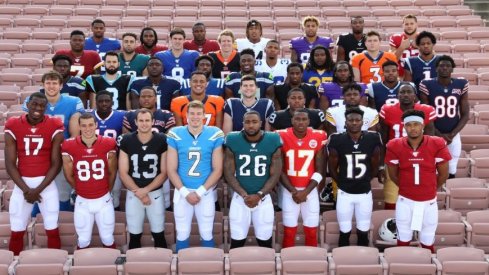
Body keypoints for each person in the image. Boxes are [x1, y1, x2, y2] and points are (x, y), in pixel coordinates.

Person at [5, 92, 63, 255]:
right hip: (21, 185)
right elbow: (10, 163)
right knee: (16, 229)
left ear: (46, 108)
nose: (38, 108)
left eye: (42, 106)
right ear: (28, 104)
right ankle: (14, 265)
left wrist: (36, 190)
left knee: (52, 227)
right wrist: (26, 190)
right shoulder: (13, 124)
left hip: (46, 185)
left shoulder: (54, 124)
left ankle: (55, 265)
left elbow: (56, 163)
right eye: (35, 104)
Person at [385, 110, 451, 252]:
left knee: (428, 240)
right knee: (403, 239)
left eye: (416, 124)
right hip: (405, 200)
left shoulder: (437, 143)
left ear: (422, 126)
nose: (413, 128)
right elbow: (393, 175)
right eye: (409, 125)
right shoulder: (394, 145)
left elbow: (443, 174)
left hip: (429, 201)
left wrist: (430, 187)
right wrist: (408, 187)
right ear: (404, 127)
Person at [167, 100, 224, 251]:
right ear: (186, 115)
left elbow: (217, 169)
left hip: (204, 193)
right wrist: (185, 193)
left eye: (199, 114)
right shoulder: (175, 134)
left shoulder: (214, 133)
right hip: (182, 193)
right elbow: (171, 169)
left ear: (204, 116)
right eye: (192, 113)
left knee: (206, 232)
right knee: (182, 232)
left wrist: (199, 192)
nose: (195, 117)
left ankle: (209, 268)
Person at [23, 71, 84, 212]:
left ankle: (62, 223)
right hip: (39, 154)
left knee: (62, 193)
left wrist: (66, 155)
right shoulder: (32, 101)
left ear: (61, 86)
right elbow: (28, 128)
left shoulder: (73, 102)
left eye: (55, 83)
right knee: (37, 193)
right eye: (48, 83)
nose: (51, 86)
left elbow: (74, 135)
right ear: (43, 85)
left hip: (62, 153)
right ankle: (37, 223)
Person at [224, 111, 283, 248]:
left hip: (263, 198)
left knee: (265, 241)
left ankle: (266, 268)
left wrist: (259, 194)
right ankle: (235, 269)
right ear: (243, 123)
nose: (251, 125)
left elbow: (276, 173)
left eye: (254, 122)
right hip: (240, 198)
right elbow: (228, 172)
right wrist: (244, 195)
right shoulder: (233, 139)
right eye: (247, 122)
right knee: (237, 241)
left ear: (261, 124)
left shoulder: (273, 139)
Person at [61, 113, 117, 249]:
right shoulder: (69, 145)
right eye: (84, 125)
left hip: (103, 199)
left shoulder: (108, 143)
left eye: (91, 125)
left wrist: (105, 191)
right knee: (83, 239)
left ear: (96, 125)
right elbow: (68, 175)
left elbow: (112, 172)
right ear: (79, 126)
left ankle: (111, 267)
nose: (88, 128)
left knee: (108, 238)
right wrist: (81, 189)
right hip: (83, 200)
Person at [328, 107, 382, 247]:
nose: (354, 123)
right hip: (345, 192)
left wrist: (367, 179)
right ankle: (342, 259)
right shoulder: (337, 139)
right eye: (350, 120)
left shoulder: (373, 138)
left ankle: (362, 260)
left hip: (364, 192)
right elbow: (332, 167)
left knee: (363, 231)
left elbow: (375, 163)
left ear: (362, 122)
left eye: (357, 120)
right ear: (345, 122)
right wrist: (341, 182)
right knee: (344, 231)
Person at [380, 83, 436, 210]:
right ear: (397, 95)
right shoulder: (388, 110)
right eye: (402, 92)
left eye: (409, 92)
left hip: (418, 160)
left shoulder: (426, 110)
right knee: (391, 197)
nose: (405, 95)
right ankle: (393, 227)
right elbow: (383, 140)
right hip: (394, 159)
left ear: (415, 95)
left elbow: (430, 141)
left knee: (417, 197)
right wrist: (381, 164)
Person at [118, 108, 169, 249]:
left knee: (159, 233)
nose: (144, 124)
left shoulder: (162, 140)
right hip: (134, 192)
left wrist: (145, 191)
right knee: (134, 235)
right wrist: (138, 192)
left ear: (153, 122)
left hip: (155, 192)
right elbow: (123, 172)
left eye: (147, 120)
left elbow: (164, 172)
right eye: (141, 120)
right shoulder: (127, 140)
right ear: (135, 122)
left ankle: (162, 266)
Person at [278, 109, 327, 248]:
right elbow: (279, 170)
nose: (300, 122)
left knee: (311, 231)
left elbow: (320, 169)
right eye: (297, 119)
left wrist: (305, 192)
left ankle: (312, 263)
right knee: (289, 231)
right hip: (289, 189)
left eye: (304, 119)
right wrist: (294, 191)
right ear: (292, 120)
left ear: (309, 121)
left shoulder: (318, 136)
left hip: (309, 190)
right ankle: (286, 262)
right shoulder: (281, 135)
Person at [419, 55, 470, 179]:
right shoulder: (427, 84)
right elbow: (425, 114)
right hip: (432, 132)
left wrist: (452, 134)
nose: (445, 68)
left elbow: (465, 114)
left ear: (452, 69)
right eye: (441, 65)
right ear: (436, 68)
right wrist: (439, 134)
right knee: (433, 166)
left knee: (452, 169)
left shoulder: (461, 84)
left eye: (448, 66)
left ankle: (446, 194)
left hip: (454, 133)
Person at [87, 91, 126, 210]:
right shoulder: (88, 116)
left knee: (114, 192)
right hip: (92, 161)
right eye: (100, 101)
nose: (104, 104)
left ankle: (114, 217)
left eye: (107, 101)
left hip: (113, 162)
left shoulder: (121, 116)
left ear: (112, 103)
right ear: (95, 103)